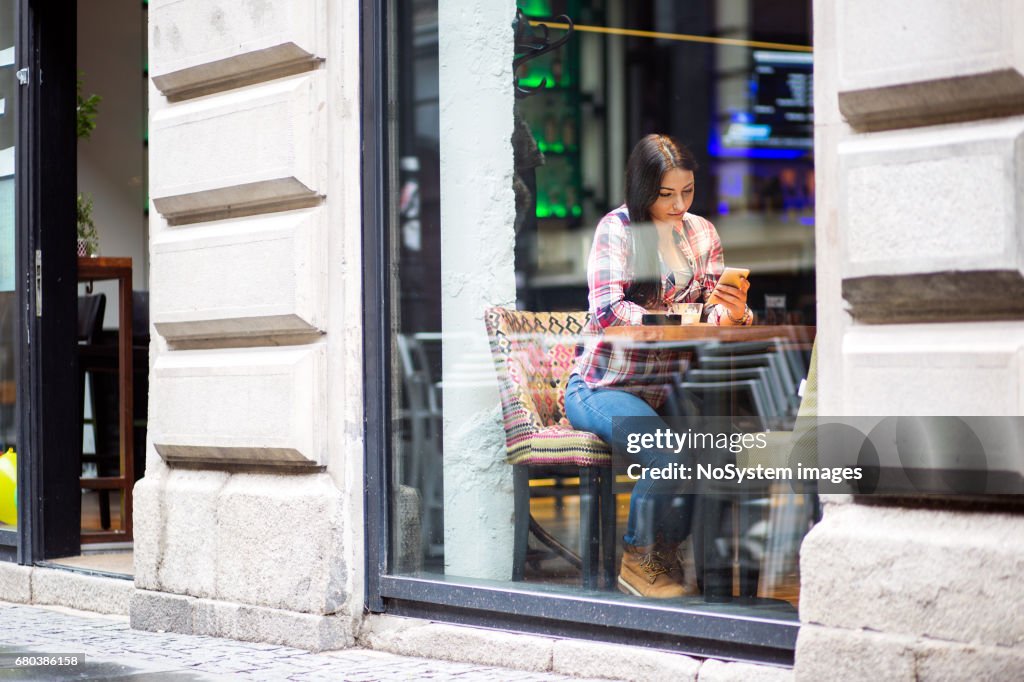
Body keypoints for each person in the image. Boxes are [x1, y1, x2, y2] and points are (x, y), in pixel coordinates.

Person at [564, 134, 751, 598]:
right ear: (643, 187)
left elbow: (713, 316)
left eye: (686, 191)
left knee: (713, 452)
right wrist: (677, 318)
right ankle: (640, 561)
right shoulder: (618, 229)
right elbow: (608, 311)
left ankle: (672, 562)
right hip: (602, 386)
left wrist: (735, 311)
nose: (677, 204)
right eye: (666, 194)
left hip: (664, 388)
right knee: (667, 454)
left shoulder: (701, 233)